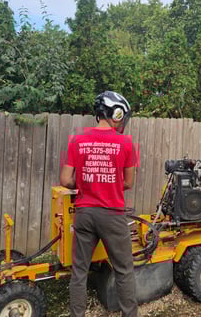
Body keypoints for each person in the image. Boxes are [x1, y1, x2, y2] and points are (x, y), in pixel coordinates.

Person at [60, 91, 138, 317]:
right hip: (112, 216)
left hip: (84, 214)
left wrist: (87, 182)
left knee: (79, 272)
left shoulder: (77, 140)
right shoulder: (125, 143)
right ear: (117, 113)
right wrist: (109, 183)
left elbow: (65, 180)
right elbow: (129, 183)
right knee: (124, 270)